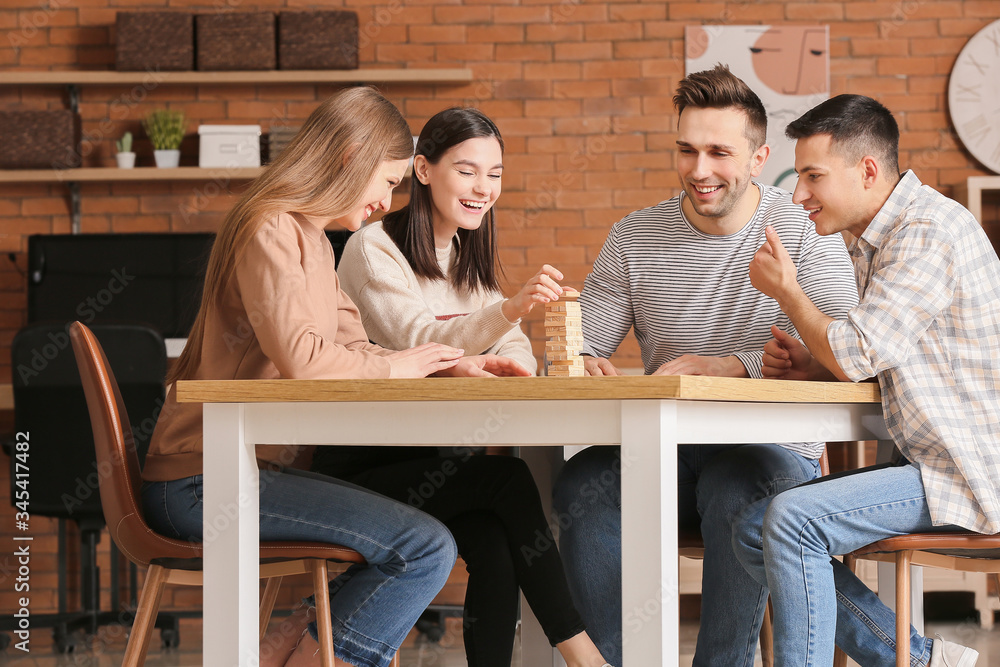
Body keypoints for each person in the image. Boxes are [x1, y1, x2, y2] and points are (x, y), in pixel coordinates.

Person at [141, 88, 528, 667]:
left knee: (421, 537)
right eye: (390, 181)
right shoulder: (269, 228)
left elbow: (358, 350)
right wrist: (401, 363)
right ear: (349, 159)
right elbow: (303, 357)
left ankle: (297, 651)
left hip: (243, 472)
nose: (388, 200)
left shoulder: (317, 244)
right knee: (423, 546)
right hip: (203, 482)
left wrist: (450, 363)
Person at [551, 64, 860, 667]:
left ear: (758, 157)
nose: (700, 171)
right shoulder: (635, 235)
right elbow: (587, 341)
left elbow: (845, 346)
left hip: (773, 457)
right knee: (583, 481)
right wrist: (581, 358)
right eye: (687, 150)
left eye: (719, 152)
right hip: (663, 457)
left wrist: (735, 364)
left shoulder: (805, 229)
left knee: (736, 482)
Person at [312, 107, 613, 667]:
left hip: (434, 466)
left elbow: (511, 346)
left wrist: (507, 347)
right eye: (467, 171)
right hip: (359, 466)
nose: (484, 188)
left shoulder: (467, 257)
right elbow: (419, 339)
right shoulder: (374, 248)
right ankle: (585, 657)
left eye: (495, 174)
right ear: (422, 171)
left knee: (497, 546)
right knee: (508, 479)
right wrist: (506, 313)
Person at [734, 94, 994, 666]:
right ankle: (922, 661)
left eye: (812, 176)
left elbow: (858, 353)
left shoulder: (926, 231)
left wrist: (787, 292)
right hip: (929, 463)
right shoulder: (878, 236)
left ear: (868, 170)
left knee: (791, 520)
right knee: (753, 527)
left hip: (965, 470)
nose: (799, 193)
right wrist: (812, 362)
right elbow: (885, 355)